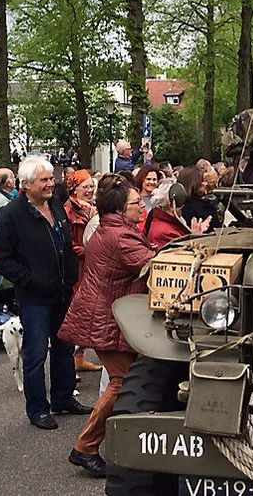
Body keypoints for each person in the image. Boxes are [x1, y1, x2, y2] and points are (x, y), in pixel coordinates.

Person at [58, 178, 155, 477]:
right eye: (136, 203)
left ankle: (104, 443)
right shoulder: (120, 237)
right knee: (121, 383)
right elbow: (154, 262)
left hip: (104, 315)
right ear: (121, 209)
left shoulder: (112, 228)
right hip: (106, 319)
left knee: (123, 381)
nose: (141, 206)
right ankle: (85, 447)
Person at [0, 158, 91, 430]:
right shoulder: (12, 215)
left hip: (61, 292)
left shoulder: (55, 206)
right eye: (44, 180)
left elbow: (64, 244)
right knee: (35, 355)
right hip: (34, 297)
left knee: (64, 348)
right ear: (26, 185)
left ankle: (63, 398)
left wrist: (69, 275)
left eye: (51, 178)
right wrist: (30, 280)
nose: (50, 184)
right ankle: (37, 409)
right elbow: (0, 258)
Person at [62, 170, 102, 375]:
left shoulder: (92, 208)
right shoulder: (68, 211)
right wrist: (84, 250)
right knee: (79, 310)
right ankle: (71, 359)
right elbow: (68, 242)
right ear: (74, 189)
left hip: (91, 266)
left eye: (91, 186)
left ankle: (78, 357)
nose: (89, 190)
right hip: (78, 267)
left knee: (87, 312)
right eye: (84, 186)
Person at [143, 171, 210, 248]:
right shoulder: (165, 232)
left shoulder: (167, 224)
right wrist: (196, 239)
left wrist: (194, 234)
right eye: (180, 202)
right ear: (171, 205)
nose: (183, 206)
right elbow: (183, 256)